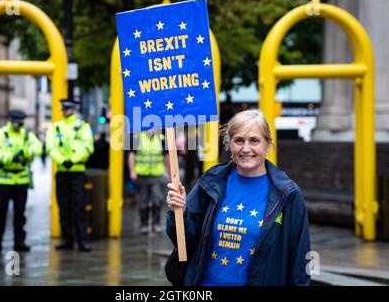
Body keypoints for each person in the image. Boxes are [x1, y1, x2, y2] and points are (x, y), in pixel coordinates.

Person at [166, 109, 311, 286]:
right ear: (230, 144)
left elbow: (300, 263)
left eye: (254, 140)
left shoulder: (288, 195)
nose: (246, 148)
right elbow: (185, 242)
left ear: (267, 145)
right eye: (239, 140)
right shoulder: (211, 182)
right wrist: (179, 211)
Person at [0, 110, 41, 252]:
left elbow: (37, 147)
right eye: (15, 121)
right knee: (1, 212)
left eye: (20, 122)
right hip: (4, 180)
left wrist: (25, 153)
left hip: (21, 180)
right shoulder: (0, 133)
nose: (18, 124)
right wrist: (10, 158)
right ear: (10, 120)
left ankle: (19, 242)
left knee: (20, 213)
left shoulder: (26, 134)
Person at [46, 99, 94, 252]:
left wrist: (72, 161)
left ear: (74, 109)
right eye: (63, 108)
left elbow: (88, 147)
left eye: (67, 108)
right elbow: (50, 146)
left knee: (79, 207)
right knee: (63, 207)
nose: (64, 111)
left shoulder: (83, 126)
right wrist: (62, 161)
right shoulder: (56, 127)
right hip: (62, 173)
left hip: (77, 173)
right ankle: (66, 239)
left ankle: (83, 240)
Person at [128, 130, 169, 235]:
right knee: (143, 201)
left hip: (157, 174)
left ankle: (156, 224)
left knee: (157, 199)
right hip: (142, 175)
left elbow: (166, 156)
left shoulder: (161, 138)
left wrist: (167, 172)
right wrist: (132, 171)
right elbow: (132, 155)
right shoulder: (138, 137)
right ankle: (144, 225)